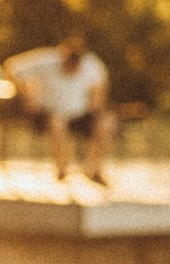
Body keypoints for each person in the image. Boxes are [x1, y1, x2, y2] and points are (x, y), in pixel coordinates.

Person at [6, 33, 111, 184]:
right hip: (50, 113)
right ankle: (62, 169)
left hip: (81, 115)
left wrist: (96, 107)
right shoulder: (46, 60)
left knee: (107, 123)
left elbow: (99, 89)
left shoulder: (91, 64)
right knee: (57, 123)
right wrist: (26, 95)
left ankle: (93, 169)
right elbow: (12, 67)